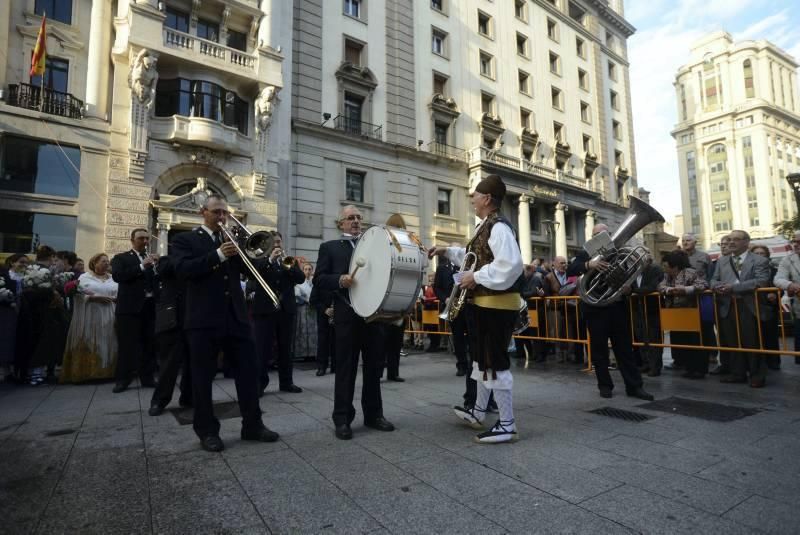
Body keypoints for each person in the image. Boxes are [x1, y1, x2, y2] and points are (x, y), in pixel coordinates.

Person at [172, 194, 278, 452]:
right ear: (203, 212)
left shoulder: (231, 240)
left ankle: (252, 424)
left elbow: (251, 270)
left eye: (225, 213)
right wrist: (218, 255)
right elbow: (183, 270)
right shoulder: (185, 239)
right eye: (217, 212)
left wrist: (261, 253)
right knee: (202, 377)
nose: (222, 217)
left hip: (236, 317)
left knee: (248, 373)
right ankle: (207, 430)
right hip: (203, 319)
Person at [430, 175, 524, 444]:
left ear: (486, 199)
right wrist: (446, 250)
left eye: (475, 195)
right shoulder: (486, 226)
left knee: (495, 363)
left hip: (496, 306)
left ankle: (507, 424)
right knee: (481, 362)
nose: (471, 199)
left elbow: (511, 264)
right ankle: (479, 411)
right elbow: (474, 255)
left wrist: (477, 277)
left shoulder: (499, 228)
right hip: (483, 305)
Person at [313, 205, 395, 440]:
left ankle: (374, 415)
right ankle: (342, 419)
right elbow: (319, 279)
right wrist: (339, 279)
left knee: (374, 368)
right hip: (347, 316)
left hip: (372, 316)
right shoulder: (329, 248)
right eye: (351, 218)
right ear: (341, 223)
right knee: (345, 369)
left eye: (359, 217)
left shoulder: (373, 247)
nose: (356, 221)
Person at [566, 224, 654, 400]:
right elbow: (572, 268)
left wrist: (630, 289)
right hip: (595, 309)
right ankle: (605, 386)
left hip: (617, 306)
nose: (600, 237)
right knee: (599, 351)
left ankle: (635, 387)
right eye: (596, 235)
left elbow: (632, 274)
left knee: (625, 350)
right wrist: (590, 264)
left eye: (604, 234)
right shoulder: (586, 252)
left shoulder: (620, 252)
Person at [710, 230, 771, 388]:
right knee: (732, 341)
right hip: (727, 306)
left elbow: (762, 281)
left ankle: (757, 375)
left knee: (752, 341)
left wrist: (734, 288)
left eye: (735, 239)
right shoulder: (722, 261)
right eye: (729, 239)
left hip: (748, 306)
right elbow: (713, 279)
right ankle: (738, 373)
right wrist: (718, 287)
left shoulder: (759, 260)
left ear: (746, 242)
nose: (731, 242)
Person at [251, 231, 305, 394]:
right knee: (263, 348)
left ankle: (286, 382)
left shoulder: (288, 260)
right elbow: (256, 273)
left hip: (285, 310)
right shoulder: (259, 259)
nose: (277, 245)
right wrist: (270, 259)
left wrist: (288, 266)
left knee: (286, 348)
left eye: (279, 242)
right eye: (273, 242)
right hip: (265, 310)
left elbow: (301, 278)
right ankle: (259, 383)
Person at [111, 229, 158, 393]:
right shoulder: (121, 258)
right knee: (127, 346)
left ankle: (147, 377)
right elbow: (118, 276)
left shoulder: (152, 259)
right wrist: (141, 266)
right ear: (132, 240)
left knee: (149, 344)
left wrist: (159, 266)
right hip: (129, 309)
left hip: (150, 308)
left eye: (147, 238)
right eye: (141, 238)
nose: (145, 241)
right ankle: (123, 380)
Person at [61, 254, 119, 383]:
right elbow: (78, 294)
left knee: (108, 340)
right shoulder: (84, 277)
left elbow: (119, 293)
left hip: (109, 313)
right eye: (103, 261)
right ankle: (87, 372)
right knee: (91, 340)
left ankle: (107, 371)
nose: (106, 263)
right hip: (90, 315)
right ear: (94, 263)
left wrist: (116, 299)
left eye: (107, 262)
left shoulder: (113, 278)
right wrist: (93, 298)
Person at [148, 254, 192, 415]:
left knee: (194, 362)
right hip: (172, 318)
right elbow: (162, 270)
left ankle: (188, 396)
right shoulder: (168, 260)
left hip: (193, 316)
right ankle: (159, 401)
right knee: (169, 364)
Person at [658, 250, 709, 378]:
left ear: (674, 266)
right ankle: (689, 367)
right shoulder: (667, 276)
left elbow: (703, 284)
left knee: (695, 342)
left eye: (665, 265)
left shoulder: (690, 272)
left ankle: (699, 369)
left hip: (691, 311)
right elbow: (660, 286)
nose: (664, 268)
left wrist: (686, 290)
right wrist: (670, 290)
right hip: (676, 313)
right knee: (683, 341)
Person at [382, 213, 409, 382]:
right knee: (392, 339)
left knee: (390, 339)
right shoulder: (391, 244)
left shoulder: (404, 245)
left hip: (390, 297)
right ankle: (391, 372)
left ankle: (390, 372)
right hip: (397, 297)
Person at [435, 247, 469, 375]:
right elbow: (437, 288)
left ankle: (473, 364)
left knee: (472, 336)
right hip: (453, 307)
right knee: (458, 336)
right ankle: (461, 365)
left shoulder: (465, 267)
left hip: (467, 305)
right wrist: (445, 298)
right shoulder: (442, 268)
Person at [629, 254, 664, 376]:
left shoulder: (655, 269)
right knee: (641, 336)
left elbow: (652, 287)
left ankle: (655, 366)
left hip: (651, 309)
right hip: (637, 309)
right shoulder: (633, 272)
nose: (634, 262)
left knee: (653, 337)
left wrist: (632, 292)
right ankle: (646, 363)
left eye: (636, 259)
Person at [750, 244, 780, 371]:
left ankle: (773, 361)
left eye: (762, 253)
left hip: (769, 307)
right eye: (756, 253)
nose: (759, 255)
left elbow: (779, 286)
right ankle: (758, 363)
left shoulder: (773, 270)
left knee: (771, 336)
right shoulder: (749, 271)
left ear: (767, 255)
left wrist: (775, 293)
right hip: (752, 306)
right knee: (755, 337)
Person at [774, 231, 800, 366]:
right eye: (794, 241)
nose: (796, 244)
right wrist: (791, 285)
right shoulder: (788, 259)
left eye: (799, 242)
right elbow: (778, 279)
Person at [1, 254, 28, 380]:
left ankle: (19, 370)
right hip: (8, 312)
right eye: (21, 262)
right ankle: (7, 371)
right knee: (7, 339)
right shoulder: (5, 276)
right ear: (12, 263)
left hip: (24, 311)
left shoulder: (28, 277)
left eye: (26, 263)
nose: (24, 265)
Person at [310, 268, 336, 376]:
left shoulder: (337, 281)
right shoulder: (319, 283)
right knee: (323, 341)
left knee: (337, 341)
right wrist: (325, 310)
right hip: (323, 315)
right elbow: (313, 300)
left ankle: (336, 365)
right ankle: (322, 366)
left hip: (337, 315)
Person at [293, 262, 318, 362]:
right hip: (303, 309)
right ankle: (302, 353)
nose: (307, 271)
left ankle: (313, 353)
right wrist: (304, 299)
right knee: (303, 330)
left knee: (313, 331)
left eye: (309, 269)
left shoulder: (314, 282)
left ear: (312, 271)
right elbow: (297, 297)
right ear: (303, 271)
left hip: (313, 309)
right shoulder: (299, 283)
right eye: (305, 269)